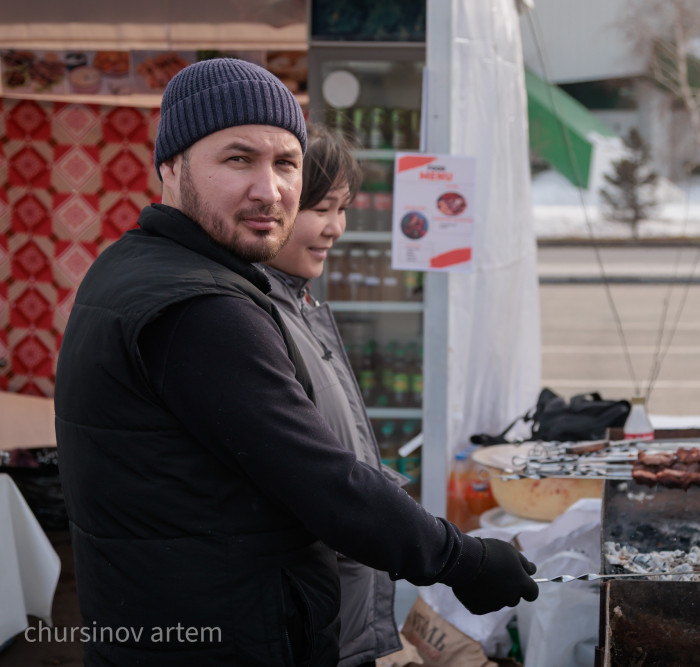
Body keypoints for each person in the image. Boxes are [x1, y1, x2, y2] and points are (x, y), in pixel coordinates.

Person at [53, 58, 538, 667]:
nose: (270, 189)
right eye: (238, 159)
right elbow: (323, 480)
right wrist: (460, 559)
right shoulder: (198, 307)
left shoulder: (136, 265)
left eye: (286, 163)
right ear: (171, 166)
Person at [261, 123, 404, 667]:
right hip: (313, 615)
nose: (336, 228)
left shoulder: (299, 302)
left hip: (342, 604)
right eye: (321, 209)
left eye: (342, 209)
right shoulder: (256, 317)